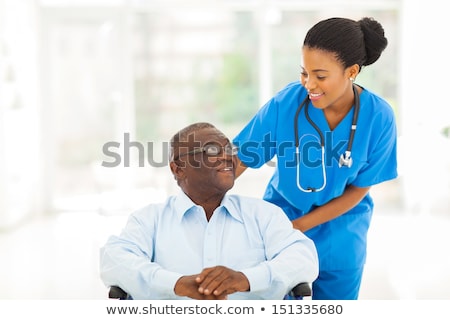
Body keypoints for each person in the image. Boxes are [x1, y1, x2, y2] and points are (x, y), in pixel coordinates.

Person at [232, 17, 398, 300]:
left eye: (320, 76)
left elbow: (359, 188)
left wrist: (299, 226)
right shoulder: (286, 104)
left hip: (341, 235)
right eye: (304, 73)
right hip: (280, 228)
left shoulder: (378, 117)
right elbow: (240, 159)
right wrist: (203, 194)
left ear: (352, 71)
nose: (309, 84)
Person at [99, 122, 318, 300]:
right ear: (178, 168)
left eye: (229, 149)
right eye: (213, 150)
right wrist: (177, 284)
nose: (228, 157)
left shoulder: (264, 215)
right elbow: (114, 260)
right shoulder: (149, 219)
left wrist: (245, 279)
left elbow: (303, 258)